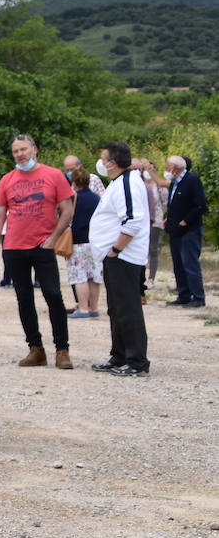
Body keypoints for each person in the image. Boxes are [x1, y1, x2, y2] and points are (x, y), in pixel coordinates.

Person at [0, 134, 75, 369]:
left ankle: (62, 349)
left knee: (53, 295)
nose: (20, 154)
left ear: (34, 149)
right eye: (16, 151)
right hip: (14, 246)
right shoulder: (7, 179)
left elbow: (67, 209)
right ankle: (35, 349)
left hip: (42, 245)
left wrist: (54, 237)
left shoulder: (53, 175)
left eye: (24, 149)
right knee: (24, 298)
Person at [90, 143, 152, 376]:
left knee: (128, 308)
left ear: (112, 162)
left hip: (124, 256)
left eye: (103, 158)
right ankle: (119, 356)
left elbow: (133, 220)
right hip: (115, 256)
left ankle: (137, 361)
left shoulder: (128, 182)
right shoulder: (118, 182)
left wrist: (115, 249)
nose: (101, 162)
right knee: (116, 309)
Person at [164, 154, 207, 308]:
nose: (165, 169)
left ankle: (198, 297)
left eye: (167, 166)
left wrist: (185, 221)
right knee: (178, 264)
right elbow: (174, 204)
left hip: (189, 230)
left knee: (190, 264)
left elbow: (200, 206)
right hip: (175, 230)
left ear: (176, 168)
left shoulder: (191, 180)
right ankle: (183, 294)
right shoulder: (174, 183)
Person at [66, 166, 103, 319]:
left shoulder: (73, 198)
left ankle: (83, 308)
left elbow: (66, 217)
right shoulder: (97, 198)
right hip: (95, 241)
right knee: (94, 277)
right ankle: (94, 307)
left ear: (73, 181)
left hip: (78, 240)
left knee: (80, 276)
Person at [138, 159, 166, 290]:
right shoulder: (139, 184)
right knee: (141, 250)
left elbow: (165, 203)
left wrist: (164, 218)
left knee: (153, 249)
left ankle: (151, 278)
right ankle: (141, 277)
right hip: (142, 221)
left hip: (156, 221)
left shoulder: (158, 186)